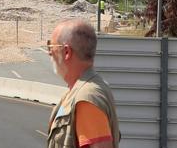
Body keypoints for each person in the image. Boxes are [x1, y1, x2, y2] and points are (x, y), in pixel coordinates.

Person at [45, 19, 121, 147]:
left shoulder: (87, 97)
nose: (49, 52)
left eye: (51, 46)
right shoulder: (78, 91)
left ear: (67, 52)